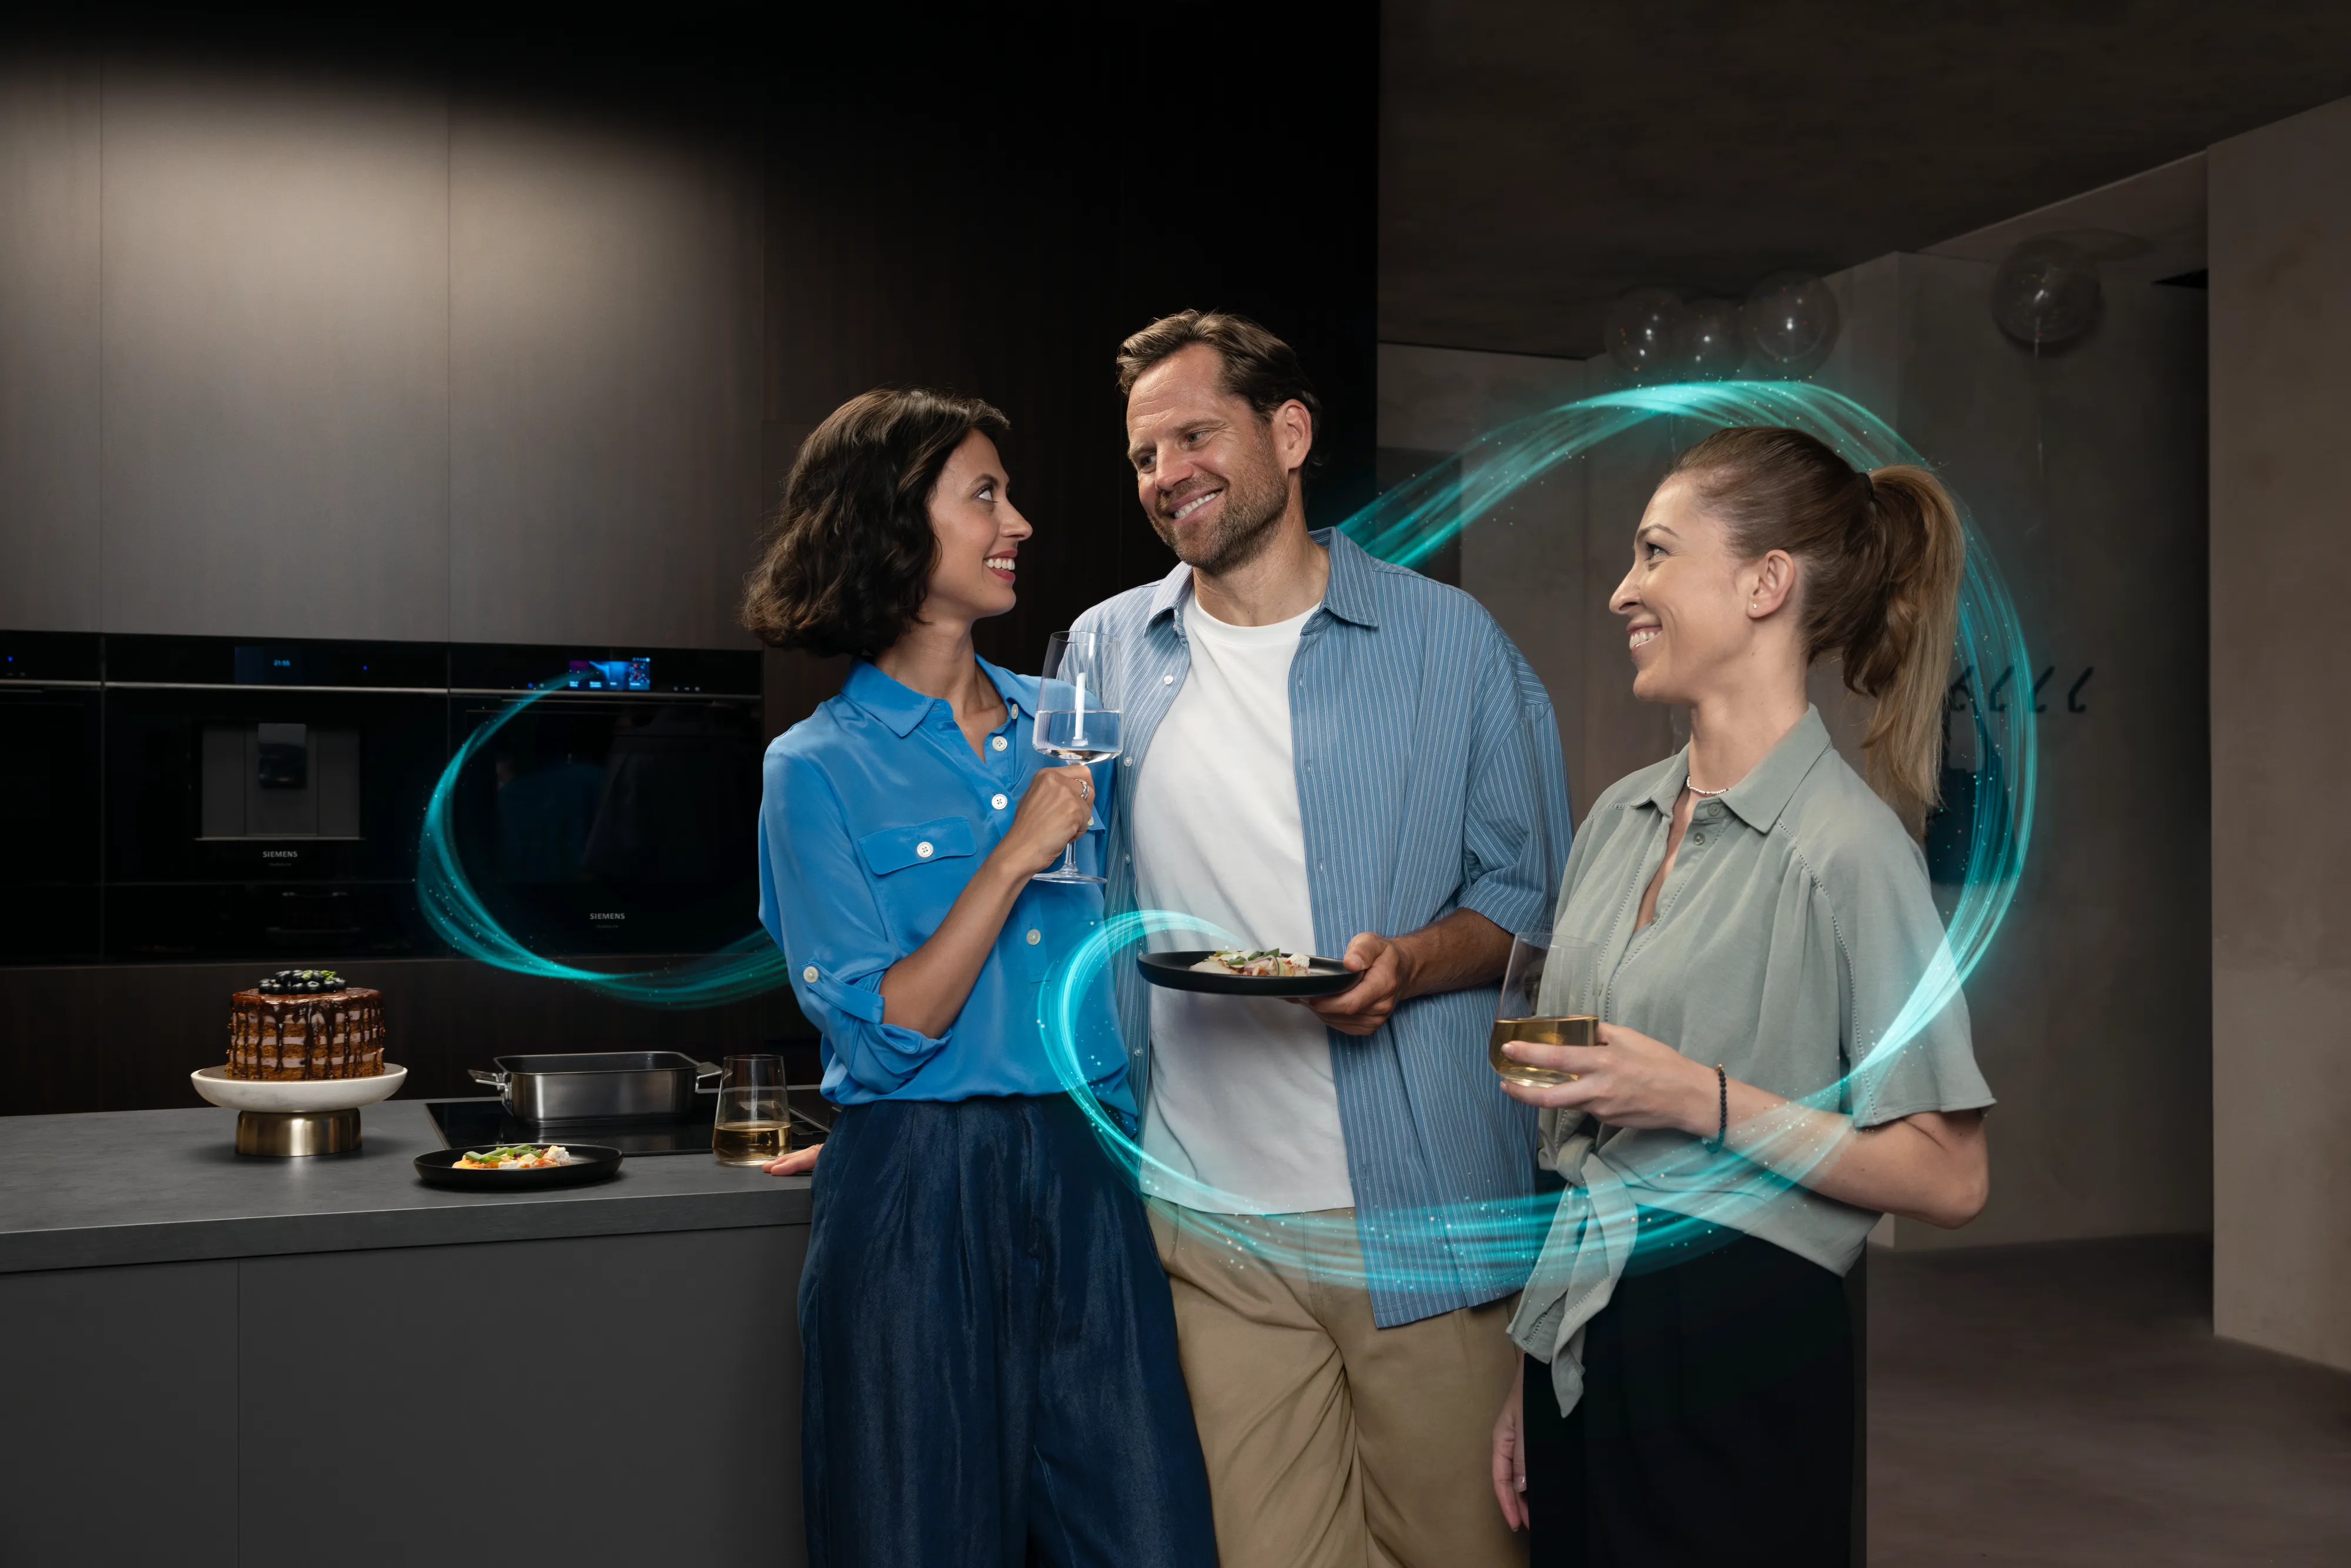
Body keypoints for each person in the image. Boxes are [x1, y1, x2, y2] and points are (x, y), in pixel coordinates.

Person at [1075, 310, 1575, 1568]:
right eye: (1143, 455)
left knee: (1464, 1549)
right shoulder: (1097, 652)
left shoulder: (1448, 643)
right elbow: (1057, 894)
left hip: (1419, 1210)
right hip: (1208, 1222)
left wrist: (1408, 962)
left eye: (1194, 434)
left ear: (1287, 433)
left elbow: (1530, 896)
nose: (1165, 472)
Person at [1487, 427, 1996, 1566]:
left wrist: (1698, 1095)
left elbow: (1948, 1174)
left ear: (1765, 583)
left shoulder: (1852, 851)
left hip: (1735, 1348)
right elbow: (1571, 1140)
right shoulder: (1613, 819)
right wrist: (1533, 1368)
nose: (1623, 587)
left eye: (1656, 552)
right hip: (1579, 1330)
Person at [744, 387, 1215, 1568]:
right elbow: (892, 1024)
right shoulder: (810, 770)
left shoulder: (1069, 723)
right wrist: (1010, 858)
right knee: (914, 1534)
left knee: (1148, 1535)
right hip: (912, 1191)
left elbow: (1122, 946)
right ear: (896, 527)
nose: (1021, 521)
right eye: (985, 495)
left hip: (1085, 1168)